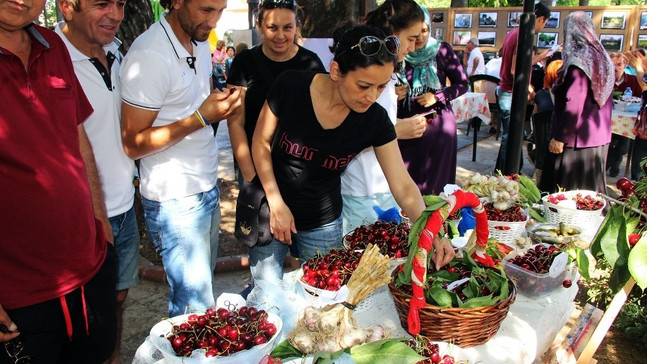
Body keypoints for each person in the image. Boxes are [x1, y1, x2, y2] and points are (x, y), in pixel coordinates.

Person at [249, 25, 455, 283]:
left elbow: (403, 186)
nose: (371, 96)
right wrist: (276, 204)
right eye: (363, 85)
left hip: (322, 221)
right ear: (336, 71)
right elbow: (261, 143)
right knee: (266, 292)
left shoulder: (375, 120)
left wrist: (432, 233)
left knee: (324, 301)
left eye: (381, 87)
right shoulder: (291, 85)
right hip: (271, 207)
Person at [0, 0, 117, 362]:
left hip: (89, 269)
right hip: (19, 295)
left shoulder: (53, 47)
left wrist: (101, 224)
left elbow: (79, 140)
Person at [120, 0, 242, 317]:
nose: (213, 21)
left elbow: (189, 105)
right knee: (194, 307)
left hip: (204, 187)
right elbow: (132, 144)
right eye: (205, 10)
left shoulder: (197, 40)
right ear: (176, 2)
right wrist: (201, 118)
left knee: (201, 300)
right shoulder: (150, 54)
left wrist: (219, 103)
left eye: (220, 10)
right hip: (174, 200)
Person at [54, 0, 139, 362]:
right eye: (101, 4)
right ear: (67, 7)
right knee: (80, 317)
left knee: (117, 300)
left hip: (125, 207)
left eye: (120, 4)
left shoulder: (119, 54)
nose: (115, 15)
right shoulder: (49, 59)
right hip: (81, 217)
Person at [341, 0, 427, 233]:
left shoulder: (388, 79)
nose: (413, 47)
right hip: (359, 188)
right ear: (392, 34)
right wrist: (398, 130)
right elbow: (346, 135)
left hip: (385, 185)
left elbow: (376, 125)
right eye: (410, 39)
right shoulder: (362, 79)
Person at [227, 0, 325, 185]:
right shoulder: (244, 63)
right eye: (273, 27)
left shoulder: (311, 63)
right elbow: (235, 123)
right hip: (254, 167)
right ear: (260, 27)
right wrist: (249, 175)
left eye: (287, 27)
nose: (280, 36)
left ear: (296, 26)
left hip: (299, 171)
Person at [540, 11, 614, 194]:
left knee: (567, 197)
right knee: (590, 196)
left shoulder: (579, 62)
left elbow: (574, 103)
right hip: (597, 140)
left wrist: (560, 138)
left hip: (576, 141)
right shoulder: (603, 58)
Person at [397, 6, 468, 195]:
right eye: (415, 32)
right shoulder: (399, 51)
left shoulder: (441, 50)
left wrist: (438, 96)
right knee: (406, 185)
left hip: (439, 126)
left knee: (437, 186)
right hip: (406, 128)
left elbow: (463, 84)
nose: (420, 37)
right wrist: (394, 94)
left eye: (425, 30)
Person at [495, 2, 551, 173]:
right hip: (510, 92)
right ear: (540, 19)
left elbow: (520, 64)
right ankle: (506, 174)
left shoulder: (513, 33)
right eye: (545, 23)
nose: (543, 27)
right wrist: (529, 88)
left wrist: (538, 57)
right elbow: (515, 70)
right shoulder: (522, 35)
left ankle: (509, 171)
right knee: (510, 137)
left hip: (506, 90)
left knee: (511, 136)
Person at [606, 52, 645, 177]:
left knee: (624, 145)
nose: (616, 68)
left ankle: (616, 164)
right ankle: (607, 164)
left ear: (625, 65)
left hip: (628, 120)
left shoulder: (633, 80)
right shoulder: (605, 80)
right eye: (613, 65)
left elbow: (643, 93)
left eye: (619, 65)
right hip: (609, 119)